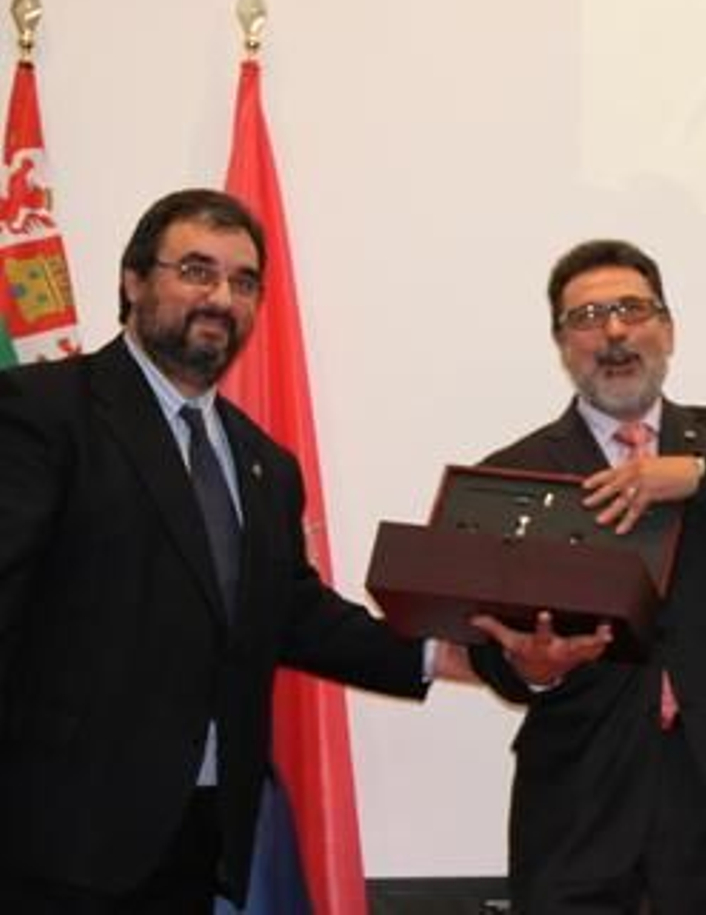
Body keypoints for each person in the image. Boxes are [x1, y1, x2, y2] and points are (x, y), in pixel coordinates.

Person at [0, 188, 464, 911]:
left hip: (203, 832)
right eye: (196, 270)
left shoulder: (263, 463)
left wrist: (440, 651)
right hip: (52, 842)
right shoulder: (42, 412)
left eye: (243, 282)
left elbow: (290, 614)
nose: (221, 296)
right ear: (132, 281)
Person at [466, 239, 706, 915]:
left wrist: (699, 474)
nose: (615, 331)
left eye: (632, 309)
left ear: (668, 328)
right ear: (563, 344)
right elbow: (491, 647)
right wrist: (533, 668)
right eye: (588, 316)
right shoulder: (514, 472)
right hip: (581, 792)